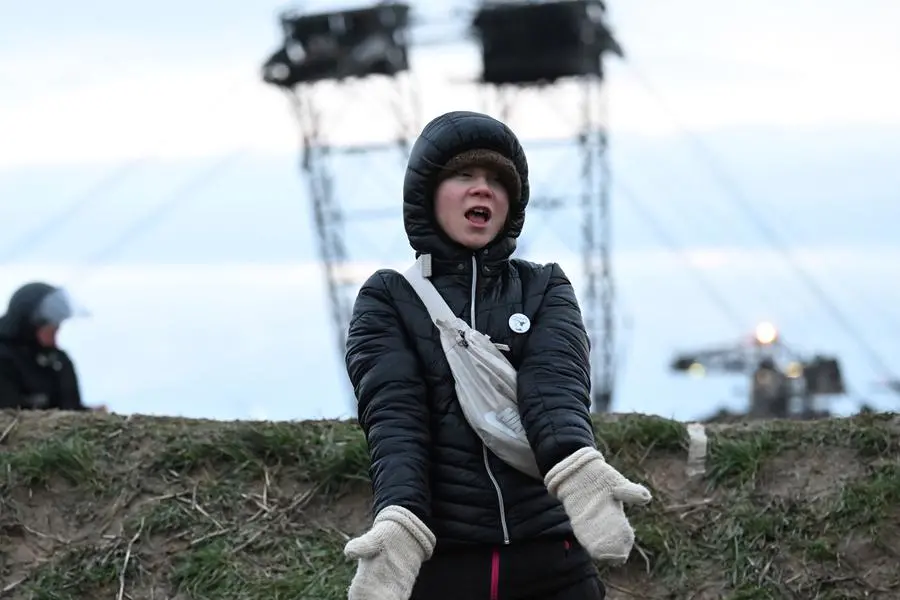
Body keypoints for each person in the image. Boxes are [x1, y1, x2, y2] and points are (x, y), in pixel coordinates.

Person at [343, 111, 651, 600]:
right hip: (445, 565)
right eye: (464, 176)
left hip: (554, 559)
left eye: (497, 182)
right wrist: (400, 520)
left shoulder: (545, 286)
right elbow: (395, 419)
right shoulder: (388, 300)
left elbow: (556, 388)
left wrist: (579, 470)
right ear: (427, 194)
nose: (482, 189)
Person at [0, 281, 104, 412]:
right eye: (50, 327)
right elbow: (10, 415)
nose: (55, 334)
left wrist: (90, 415)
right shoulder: (4, 359)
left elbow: (69, 409)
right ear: (30, 325)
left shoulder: (58, 361)